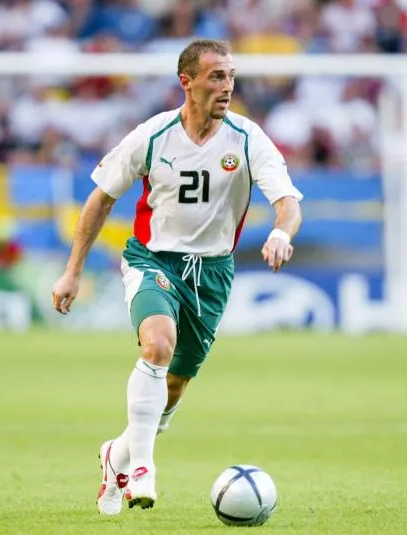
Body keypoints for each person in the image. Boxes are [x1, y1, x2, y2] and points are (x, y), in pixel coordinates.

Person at [50, 39, 303, 514]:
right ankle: (142, 467)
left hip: (212, 275)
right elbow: (101, 198)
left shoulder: (249, 139)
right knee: (157, 344)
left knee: (173, 387)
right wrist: (72, 271)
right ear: (186, 81)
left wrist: (280, 232)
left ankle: (116, 455)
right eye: (215, 76)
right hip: (153, 260)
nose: (226, 86)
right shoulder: (153, 134)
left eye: (230, 76)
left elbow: (288, 204)